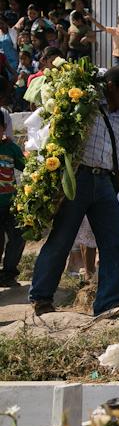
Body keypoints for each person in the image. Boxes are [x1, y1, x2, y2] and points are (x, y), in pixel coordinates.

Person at [29, 66, 119, 316]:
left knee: (115, 243)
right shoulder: (85, 106)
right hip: (77, 179)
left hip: (104, 184)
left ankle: (109, 303)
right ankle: (42, 297)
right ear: (111, 86)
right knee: (62, 239)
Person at [0, 77, 24, 287]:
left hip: (10, 203)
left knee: (18, 237)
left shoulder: (10, 148)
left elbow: (25, 166)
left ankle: (8, 274)